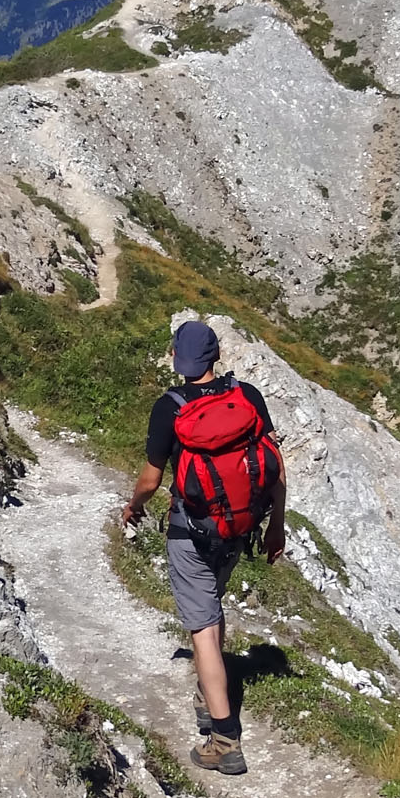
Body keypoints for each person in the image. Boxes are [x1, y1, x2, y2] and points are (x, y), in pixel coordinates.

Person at [121, 319, 286, 775]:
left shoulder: (169, 407)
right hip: (239, 526)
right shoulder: (247, 395)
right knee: (212, 608)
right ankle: (207, 692)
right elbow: (274, 465)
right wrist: (277, 526)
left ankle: (224, 740)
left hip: (191, 531)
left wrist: (133, 506)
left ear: (177, 358)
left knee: (203, 629)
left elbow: (151, 479)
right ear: (215, 355)